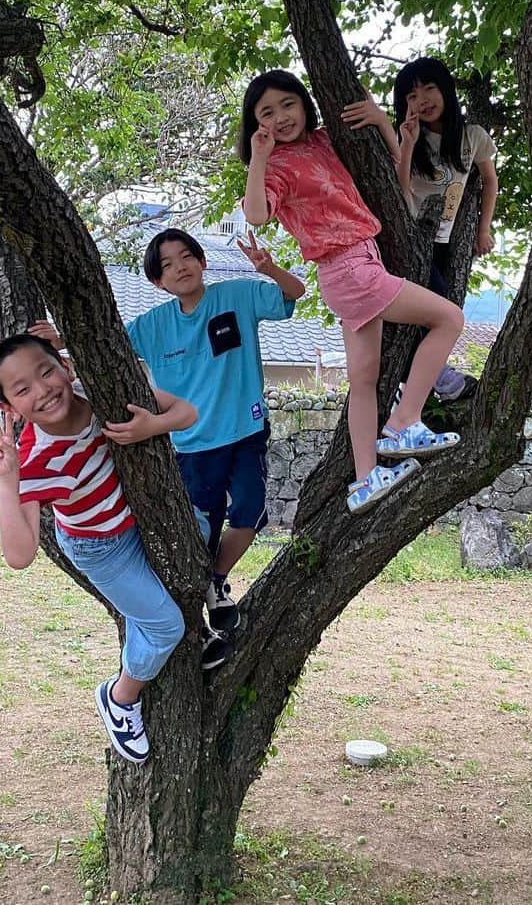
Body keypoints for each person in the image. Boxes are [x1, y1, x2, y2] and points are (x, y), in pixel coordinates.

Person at [240, 69, 464, 516]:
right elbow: (257, 213)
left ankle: (365, 479)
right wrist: (259, 157)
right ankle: (404, 422)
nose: (281, 117)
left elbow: (393, 167)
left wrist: (383, 121)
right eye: (268, 112)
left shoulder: (324, 140)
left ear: (305, 104)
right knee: (449, 319)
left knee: (363, 382)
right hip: (347, 267)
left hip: (355, 267)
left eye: (288, 104)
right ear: (257, 124)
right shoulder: (276, 165)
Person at [0, 331, 197, 766]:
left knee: (207, 529)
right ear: (8, 408)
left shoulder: (100, 393)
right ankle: (120, 697)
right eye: (23, 389)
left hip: (140, 520)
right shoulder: (34, 460)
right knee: (165, 628)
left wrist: (150, 426)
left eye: (47, 372)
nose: (42, 391)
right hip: (100, 548)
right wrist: (7, 479)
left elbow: (185, 412)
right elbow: (19, 555)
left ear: (66, 366)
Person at [125, 226, 305, 648]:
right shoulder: (151, 326)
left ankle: (217, 581)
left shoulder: (237, 295)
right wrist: (59, 342)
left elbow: (293, 293)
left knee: (250, 511)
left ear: (202, 261)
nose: (180, 267)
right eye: (167, 265)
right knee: (200, 531)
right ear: (158, 282)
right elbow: (102, 349)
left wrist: (269, 267)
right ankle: (199, 611)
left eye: (186, 256)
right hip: (191, 446)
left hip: (246, 432)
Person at [393, 56, 499, 400]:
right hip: (408, 237)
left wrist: (484, 231)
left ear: (446, 91)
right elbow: (399, 189)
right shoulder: (408, 136)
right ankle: (439, 378)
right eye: (411, 95)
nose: (421, 99)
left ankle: (420, 383)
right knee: (438, 307)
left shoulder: (473, 137)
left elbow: (489, 181)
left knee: (434, 309)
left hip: (444, 241)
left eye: (429, 88)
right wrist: (407, 145)